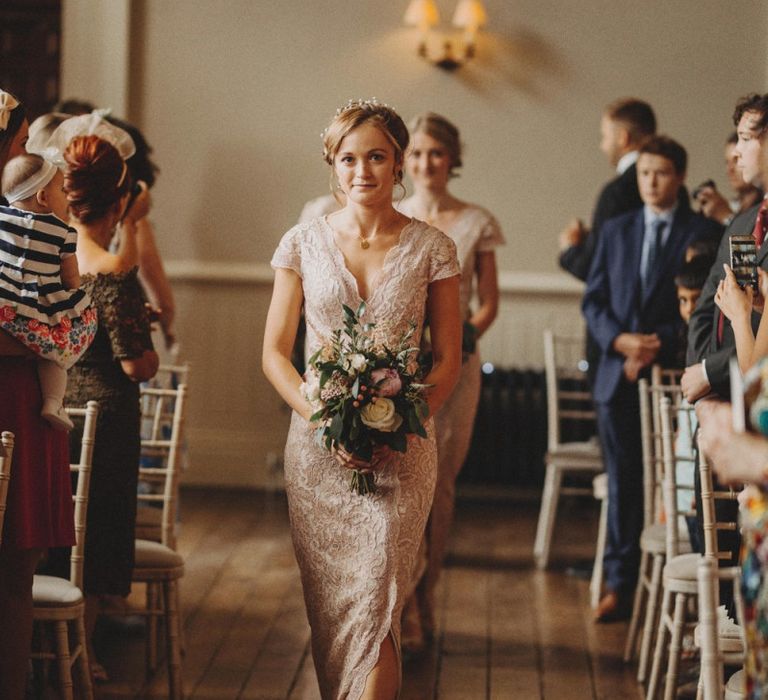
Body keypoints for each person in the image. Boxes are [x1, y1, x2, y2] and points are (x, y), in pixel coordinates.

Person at [262, 99, 461, 700]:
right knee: (334, 615)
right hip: (317, 455)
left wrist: (400, 425)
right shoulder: (301, 242)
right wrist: (327, 423)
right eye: (349, 158)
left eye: (376, 156)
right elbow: (274, 353)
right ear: (333, 163)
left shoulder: (433, 247)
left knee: (378, 601)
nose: (362, 171)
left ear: (397, 161)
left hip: (402, 454)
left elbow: (448, 358)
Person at [582, 135, 722, 621]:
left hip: (674, 369)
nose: (651, 182)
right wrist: (621, 341)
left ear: (679, 177)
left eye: (661, 173)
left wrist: (655, 341)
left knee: (680, 482)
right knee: (623, 482)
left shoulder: (702, 230)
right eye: (644, 173)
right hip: (616, 372)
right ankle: (620, 586)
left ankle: (679, 594)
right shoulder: (617, 229)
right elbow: (593, 300)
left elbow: (702, 305)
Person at [51, 130, 158, 678]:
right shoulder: (112, 273)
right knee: (96, 534)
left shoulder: (47, 259)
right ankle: (82, 652)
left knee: (52, 530)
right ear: (117, 203)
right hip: (108, 421)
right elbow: (137, 363)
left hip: (51, 416)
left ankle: (39, 647)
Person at [396, 111, 504, 648]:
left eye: (435, 153)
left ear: (451, 158)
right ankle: (405, 601)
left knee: (439, 486)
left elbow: (488, 304)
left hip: (456, 369)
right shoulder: (392, 217)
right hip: (400, 370)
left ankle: (426, 590)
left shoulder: (476, 221)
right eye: (415, 153)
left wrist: (458, 341)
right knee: (403, 481)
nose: (424, 163)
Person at [0, 89, 75, 700]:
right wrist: (47, 339)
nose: (25, 154)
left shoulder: (39, 228)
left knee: (14, 575)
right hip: (14, 398)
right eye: (20, 143)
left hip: (24, 405)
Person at [559, 98, 657, 384]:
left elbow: (595, 268)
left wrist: (570, 249)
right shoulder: (674, 189)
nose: (603, 146)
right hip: (657, 340)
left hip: (617, 340)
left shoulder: (615, 193)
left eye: (604, 136)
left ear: (623, 138)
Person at [0, 154, 97, 430]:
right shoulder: (64, 233)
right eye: (62, 190)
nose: (67, 197)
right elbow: (71, 279)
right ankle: (53, 401)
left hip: (5, 302)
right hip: (37, 308)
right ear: (43, 197)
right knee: (54, 350)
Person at [683, 93, 768, 403]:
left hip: (753, 393)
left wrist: (711, 372)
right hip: (723, 392)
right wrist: (700, 372)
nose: (737, 153)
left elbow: (755, 321)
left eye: (745, 139)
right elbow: (706, 308)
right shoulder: (743, 222)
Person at [693, 132, 763, 227]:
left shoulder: (764, 206)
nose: (730, 170)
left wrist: (727, 217)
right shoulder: (735, 205)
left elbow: (754, 239)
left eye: (736, 160)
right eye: (727, 162)